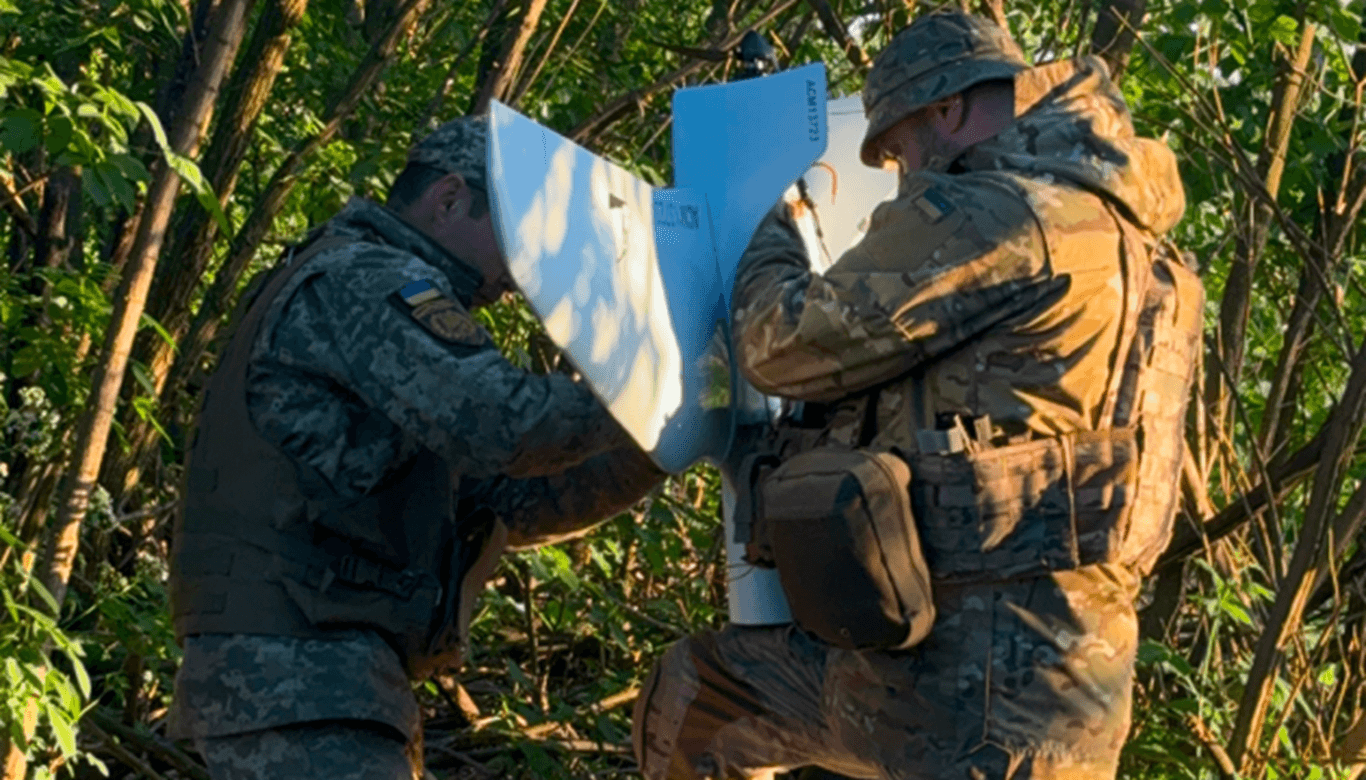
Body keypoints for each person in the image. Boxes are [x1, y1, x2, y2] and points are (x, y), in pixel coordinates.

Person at [632, 12, 1202, 780]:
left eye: (896, 148)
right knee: (701, 694)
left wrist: (774, 220)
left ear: (948, 108)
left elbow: (779, 340)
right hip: (1003, 674)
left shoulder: (1003, 215)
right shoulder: (1138, 246)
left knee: (700, 699)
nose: (900, 172)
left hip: (978, 698)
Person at [167, 116, 663, 780]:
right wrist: (661, 378)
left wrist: (661, 442)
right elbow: (503, 423)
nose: (524, 275)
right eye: (520, 242)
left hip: (325, 682)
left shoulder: (377, 299)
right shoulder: (366, 280)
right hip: (297, 677)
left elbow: (516, 500)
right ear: (450, 199)